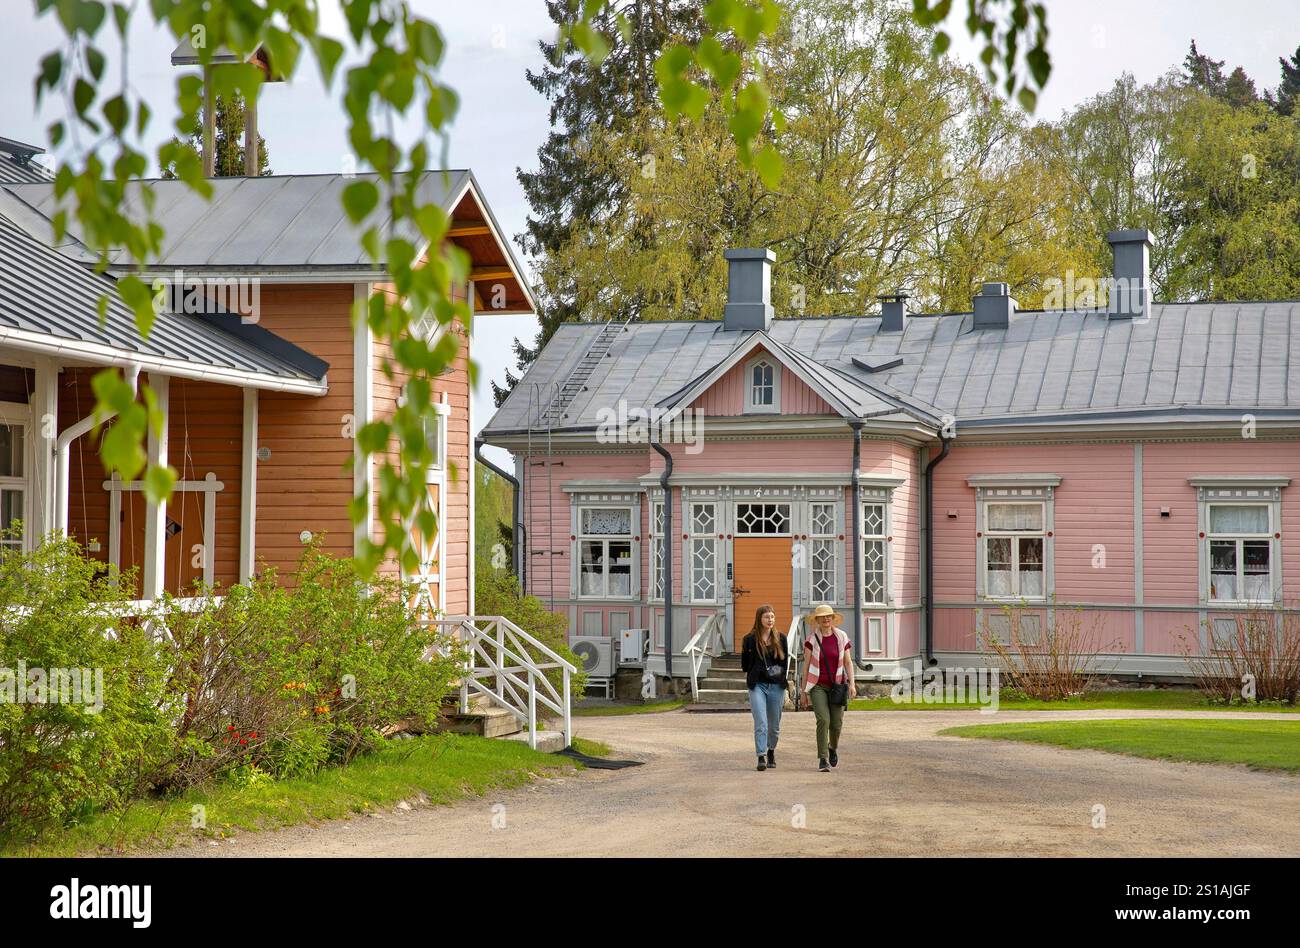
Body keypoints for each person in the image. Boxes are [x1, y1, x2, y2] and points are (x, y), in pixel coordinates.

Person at [802, 604, 856, 772]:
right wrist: (804, 692)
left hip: (838, 686)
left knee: (836, 724)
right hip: (818, 685)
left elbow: (848, 662)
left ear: (833, 618)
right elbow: (806, 666)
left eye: (829, 616)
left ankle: (832, 747)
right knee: (823, 720)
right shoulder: (811, 640)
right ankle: (823, 758)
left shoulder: (841, 637)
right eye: (822, 617)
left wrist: (852, 684)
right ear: (817, 620)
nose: (826, 619)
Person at [739, 604, 786, 772]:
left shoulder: (781, 638)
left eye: (772, 617)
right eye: (767, 617)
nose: (770, 620)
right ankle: (761, 755)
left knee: (774, 725)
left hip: (776, 685)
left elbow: (784, 664)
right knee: (761, 722)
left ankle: (771, 750)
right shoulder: (749, 639)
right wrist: (757, 670)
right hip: (757, 685)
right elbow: (744, 665)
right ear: (759, 619)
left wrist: (776, 676)